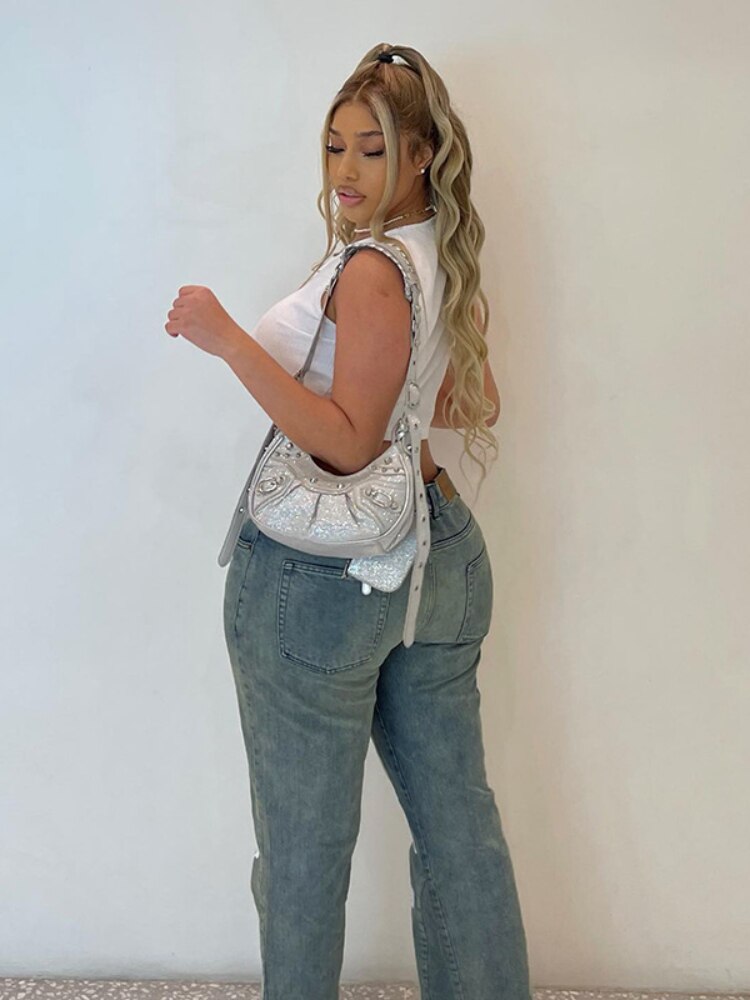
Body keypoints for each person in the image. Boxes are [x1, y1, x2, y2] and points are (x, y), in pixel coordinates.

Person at [166, 41, 531, 1000]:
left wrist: (227, 340)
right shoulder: (442, 250)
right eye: (335, 147)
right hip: (442, 557)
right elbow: (472, 400)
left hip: (325, 581)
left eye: (374, 149)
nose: (348, 171)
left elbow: (349, 444)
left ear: (421, 154)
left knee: (303, 856)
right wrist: (395, 386)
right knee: (460, 835)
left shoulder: (372, 268)